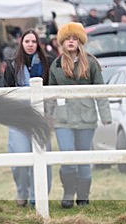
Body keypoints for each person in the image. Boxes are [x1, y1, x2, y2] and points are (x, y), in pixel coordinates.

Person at [47, 23, 112, 208]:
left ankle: (83, 196)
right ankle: (68, 192)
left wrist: (105, 115)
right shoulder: (57, 64)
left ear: (80, 41)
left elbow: (100, 91)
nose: (71, 42)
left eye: (74, 38)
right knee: (67, 156)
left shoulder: (91, 63)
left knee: (84, 157)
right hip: (63, 119)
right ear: (62, 42)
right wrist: (47, 117)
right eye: (67, 39)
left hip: (86, 117)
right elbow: (51, 94)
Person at [2, 29, 50, 207]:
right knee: (20, 159)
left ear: (38, 44)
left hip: (40, 119)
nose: (30, 44)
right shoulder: (13, 65)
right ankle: (21, 190)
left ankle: (37, 196)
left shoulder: (47, 63)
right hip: (18, 118)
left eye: (33, 41)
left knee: (42, 158)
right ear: (21, 43)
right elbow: (5, 90)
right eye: (27, 41)